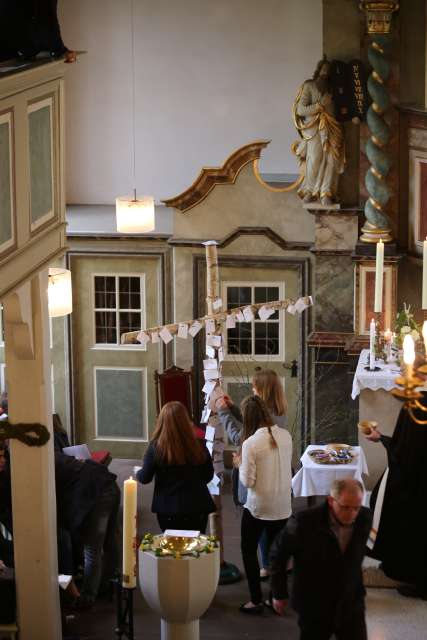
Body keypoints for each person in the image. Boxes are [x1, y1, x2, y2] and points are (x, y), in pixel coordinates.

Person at [269, 478, 371, 639]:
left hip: (350, 602)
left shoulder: (364, 518)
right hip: (314, 605)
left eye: (356, 508)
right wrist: (279, 592)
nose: (352, 514)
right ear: (331, 501)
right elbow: (278, 554)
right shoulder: (304, 522)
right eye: (345, 507)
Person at [216, 369, 288, 576]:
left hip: (257, 476)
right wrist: (234, 408)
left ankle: (266, 565)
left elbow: (239, 436)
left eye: (255, 387)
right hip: (274, 474)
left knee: (259, 526)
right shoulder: (277, 409)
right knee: (269, 526)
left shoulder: (265, 417)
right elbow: (252, 421)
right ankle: (269, 564)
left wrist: (223, 413)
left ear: (262, 391)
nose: (252, 389)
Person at [364, 386, 427, 599]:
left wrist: (381, 439)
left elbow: (405, 455)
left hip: (416, 482)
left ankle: (415, 578)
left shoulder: (418, 406)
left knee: (385, 503)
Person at [238, 395, 292, 614]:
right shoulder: (286, 435)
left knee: (249, 550)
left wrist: (239, 463)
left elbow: (248, 481)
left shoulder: (250, 443)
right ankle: (277, 598)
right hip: (282, 504)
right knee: (276, 554)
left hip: (259, 507)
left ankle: (255, 599)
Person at [137, 401, 216, 533]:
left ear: (162, 422)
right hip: (197, 506)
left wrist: (138, 472)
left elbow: (145, 478)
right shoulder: (199, 444)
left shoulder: (156, 448)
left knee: (172, 550)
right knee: (196, 549)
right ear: (185, 420)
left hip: (168, 509)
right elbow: (208, 475)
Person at [55, 451, 120, 607]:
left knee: (92, 549)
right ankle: (107, 583)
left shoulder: (40, 468)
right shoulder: (50, 456)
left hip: (93, 493)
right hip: (106, 481)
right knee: (111, 540)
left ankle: (87, 596)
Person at [293, 57, 345, 206]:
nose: (325, 73)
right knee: (314, 159)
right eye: (323, 70)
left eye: (328, 72)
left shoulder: (334, 88)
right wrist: (320, 105)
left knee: (332, 160)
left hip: (333, 127)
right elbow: (300, 109)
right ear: (318, 70)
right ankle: (310, 191)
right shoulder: (309, 86)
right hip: (314, 128)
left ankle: (326, 192)